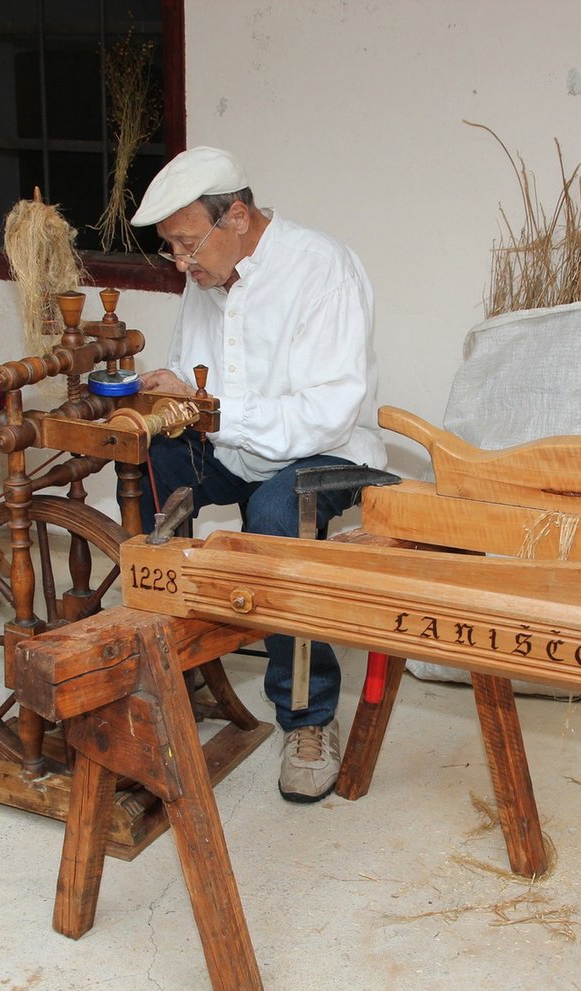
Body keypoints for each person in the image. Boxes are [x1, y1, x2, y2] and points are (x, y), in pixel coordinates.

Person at [130, 146, 387, 803]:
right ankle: (170, 656)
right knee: (154, 473)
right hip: (235, 445)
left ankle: (307, 717)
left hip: (327, 455)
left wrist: (212, 412)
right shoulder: (207, 276)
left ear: (236, 216)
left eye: (187, 245)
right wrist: (171, 392)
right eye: (171, 250)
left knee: (276, 517)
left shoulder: (320, 266)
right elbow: (199, 375)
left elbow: (328, 414)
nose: (182, 264)